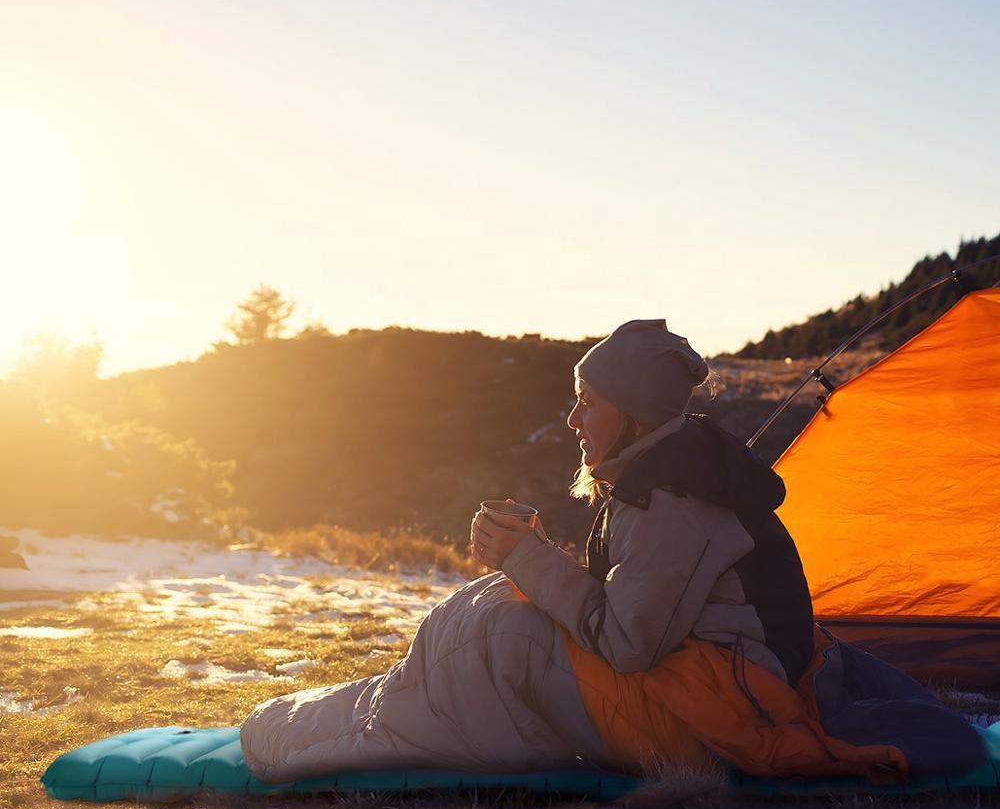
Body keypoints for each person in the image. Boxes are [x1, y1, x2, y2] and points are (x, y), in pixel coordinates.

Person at [241, 321, 983, 784]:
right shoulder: (662, 472)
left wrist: (526, 558)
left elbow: (628, 644)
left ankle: (298, 738)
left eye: (588, 402)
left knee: (499, 637)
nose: (572, 418)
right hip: (712, 678)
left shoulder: (674, 502)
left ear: (631, 416)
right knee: (491, 618)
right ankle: (352, 712)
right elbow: (638, 604)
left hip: (712, 718)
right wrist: (529, 562)